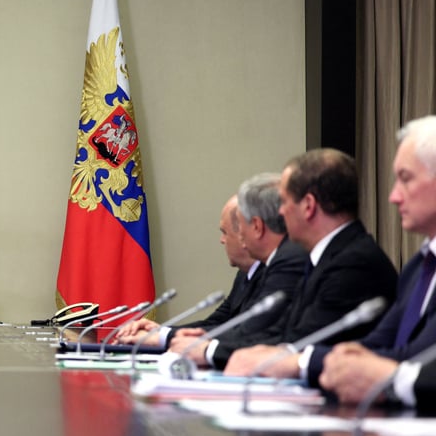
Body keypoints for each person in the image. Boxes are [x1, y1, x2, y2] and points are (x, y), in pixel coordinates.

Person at [255, 116, 436, 386]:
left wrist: (304, 362)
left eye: (405, 179)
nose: (393, 196)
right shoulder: (417, 267)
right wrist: (335, 361)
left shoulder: (355, 262)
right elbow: (375, 345)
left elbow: (415, 359)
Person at [224, 149, 398, 376]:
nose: (281, 211)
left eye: (285, 201)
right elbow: (284, 330)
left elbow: (303, 342)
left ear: (308, 205)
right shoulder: (325, 256)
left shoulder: (353, 263)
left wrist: (218, 351)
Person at [171, 173, 309, 368]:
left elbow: (259, 332)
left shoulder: (289, 260)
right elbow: (228, 323)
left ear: (257, 226)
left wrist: (203, 348)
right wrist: (170, 336)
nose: (240, 236)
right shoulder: (270, 263)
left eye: (240, 227)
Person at [116, 195, 256, 346]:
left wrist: (163, 337)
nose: (221, 240)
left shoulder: (276, 273)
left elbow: (243, 333)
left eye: (225, 232)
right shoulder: (245, 273)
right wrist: (160, 331)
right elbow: (217, 322)